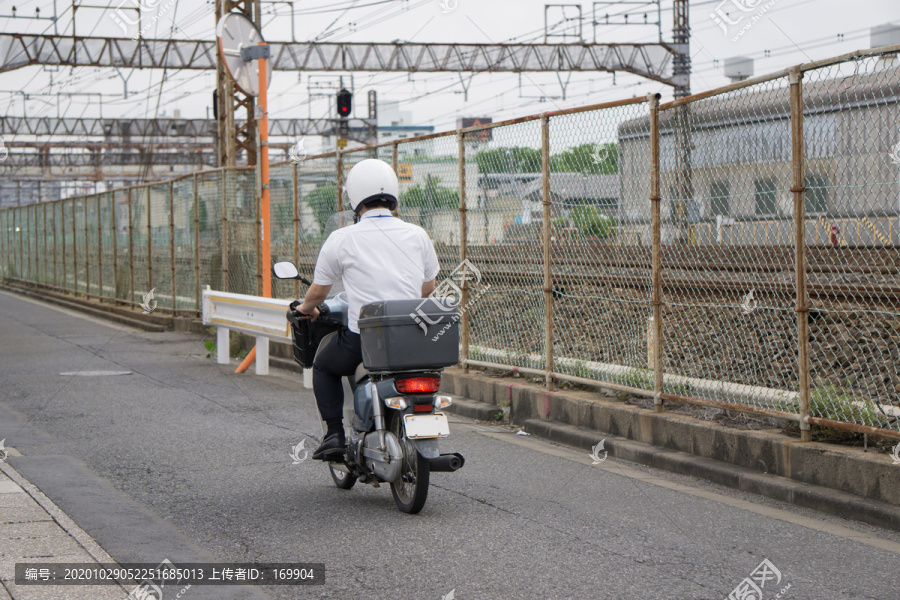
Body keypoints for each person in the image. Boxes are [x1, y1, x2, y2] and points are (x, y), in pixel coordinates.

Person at [295, 158, 440, 460]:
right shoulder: (418, 234)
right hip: (413, 338)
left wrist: (306, 308)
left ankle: (334, 434)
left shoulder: (342, 238)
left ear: (354, 197)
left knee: (323, 366)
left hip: (366, 340)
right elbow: (428, 288)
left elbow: (319, 291)